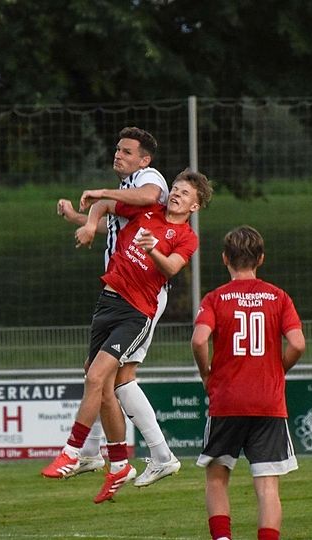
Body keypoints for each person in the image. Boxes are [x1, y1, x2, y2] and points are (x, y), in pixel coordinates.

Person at [44, 169, 213, 503]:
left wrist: (152, 250)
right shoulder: (147, 211)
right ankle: (120, 464)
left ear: (194, 207)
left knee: (99, 377)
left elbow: (171, 267)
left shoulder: (186, 236)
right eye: (175, 188)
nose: (176, 194)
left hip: (136, 312)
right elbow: (108, 211)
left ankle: (73, 451)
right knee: (104, 383)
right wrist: (84, 217)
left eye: (184, 193)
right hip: (107, 300)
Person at [55, 126, 180, 487]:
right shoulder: (128, 191)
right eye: (117, 149)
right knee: (97, 373)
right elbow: (111, 222)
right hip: (119, 291)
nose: (118, 155)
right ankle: (95, 453)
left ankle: (160, 455)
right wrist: (78, 219)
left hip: (141, 294)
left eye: (127, 151)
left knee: (118, 377)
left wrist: (101, 193)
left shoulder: (148, 179)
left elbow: (149, 194)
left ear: (144, 159)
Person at [191, 225, 306, 540]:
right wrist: (277, 369)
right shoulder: (279, 297)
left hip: (227, 400)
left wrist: (205, 373)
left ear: (225, 258)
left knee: (217, 477)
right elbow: (297, 344)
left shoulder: (216, 298)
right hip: (268, 402)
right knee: (267, 485)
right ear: (261, 259)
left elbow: (199, 340)